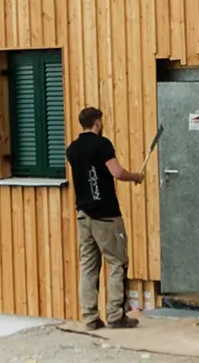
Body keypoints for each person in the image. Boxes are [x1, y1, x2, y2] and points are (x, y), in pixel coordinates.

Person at [67, 106, 143, 329]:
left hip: (83, 215)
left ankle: (90, 317)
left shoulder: (72, 149)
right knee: (117, 262)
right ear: (97, 123)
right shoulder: (102, 144)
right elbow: (117, 172)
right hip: (106, 215)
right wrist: (136, 177)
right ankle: (115, 315)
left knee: (88, 266)